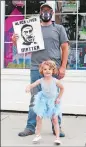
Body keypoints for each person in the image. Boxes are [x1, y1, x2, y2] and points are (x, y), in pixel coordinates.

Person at [12, 2, 69, 137]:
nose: (45, 12)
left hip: (53, 70)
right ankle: (30, 127)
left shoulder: (59, 28)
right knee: (35, 98)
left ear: (52, 13)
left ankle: (57, 127)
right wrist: (15, 41)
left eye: (48, 10)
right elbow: (21, 48)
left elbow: (65, 48)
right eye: (43, 10)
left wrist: (63, 67)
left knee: (54, 98)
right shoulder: (33, 28)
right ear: (40, 12)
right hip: (36, 68)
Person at [26, 60, 64, 145]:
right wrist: (28, 87)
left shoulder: (55, 81)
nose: (47, 71)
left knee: (55, 119)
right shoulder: (41, 80)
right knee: (38, 117)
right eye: (45, 69)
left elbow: (62, 88)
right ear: (42, 71)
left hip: (53, 101)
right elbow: (33, 84)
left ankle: (57, 138)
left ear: (53, 71)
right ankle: (38, 135)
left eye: (49, 69)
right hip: (42, 100)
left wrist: (58, 98)